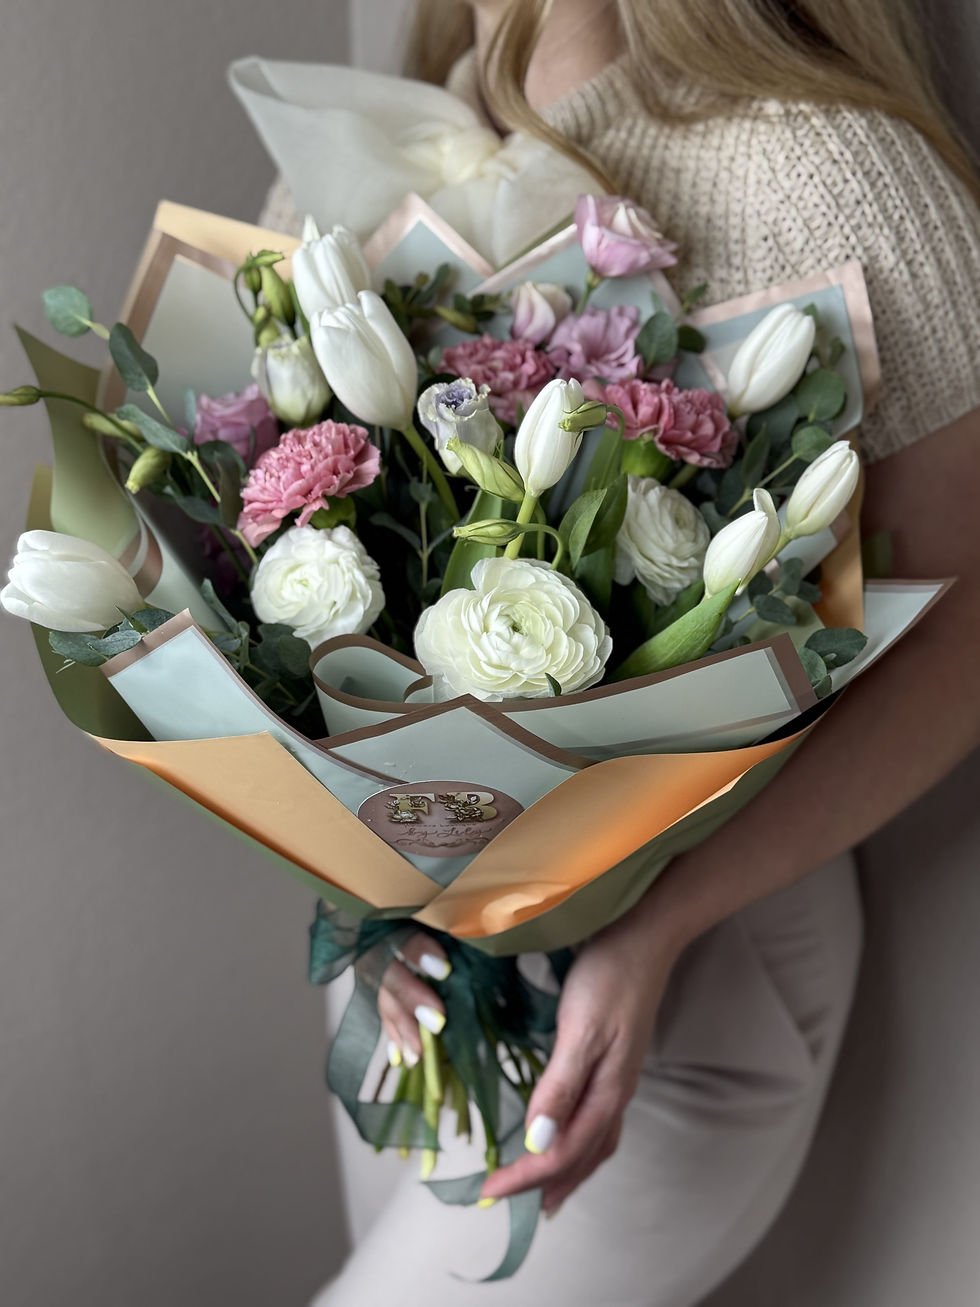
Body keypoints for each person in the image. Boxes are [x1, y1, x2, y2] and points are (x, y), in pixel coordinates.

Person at [259, 2, 980, 1302]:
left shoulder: (823, 164)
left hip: (696, 965)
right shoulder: (372, 139)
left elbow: (964, 635)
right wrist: (361, 872)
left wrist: (654, 931)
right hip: (411, 968)